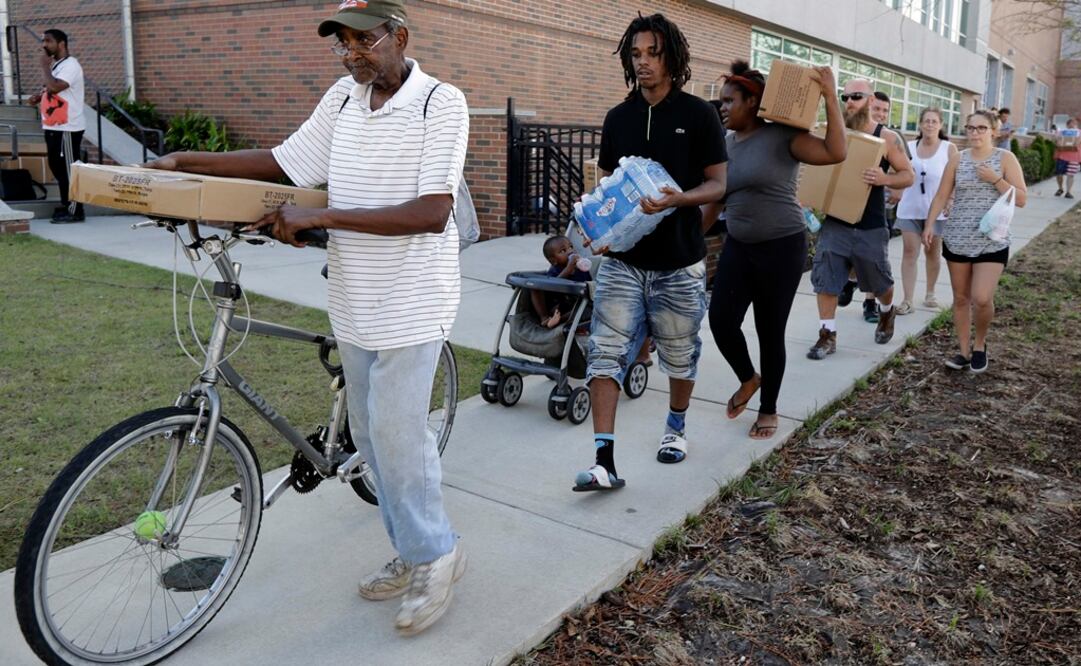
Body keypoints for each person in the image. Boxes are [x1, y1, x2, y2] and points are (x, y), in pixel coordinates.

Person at [146, 0, 467, 636]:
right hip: (353, 298)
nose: (351, 53)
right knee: (372, 441)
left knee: (400, 441)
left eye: (364, 40)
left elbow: (432, 211)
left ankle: (437, 555)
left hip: (413, 299)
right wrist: (188, 160)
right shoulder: (343, 101)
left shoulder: (440, 103)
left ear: (399, 35)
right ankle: (412, 548)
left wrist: (320, 218)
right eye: (341, 42)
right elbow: (285, 161)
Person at [573, 12, 727, 491]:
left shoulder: (699, 114)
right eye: (636, 54)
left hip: (679, 265)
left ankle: (676, 427)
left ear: (673, 58)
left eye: (652, 54)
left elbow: (718, 184)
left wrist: (679, 200)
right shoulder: (617, 118)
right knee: (605, 355)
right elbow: (603, 186)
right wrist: (596, 228)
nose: (643, 63)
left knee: (681, 356)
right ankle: (604, 461)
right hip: (622, 264)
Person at [703, 60, 845, 440]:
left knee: (769, 330)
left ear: (752, 102)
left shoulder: (783, 136)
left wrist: (831, 95)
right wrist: (686, 244)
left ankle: (768, 409)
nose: (723, 108)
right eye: (721, 102)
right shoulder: (725, 146)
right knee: (720, 320)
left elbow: (836, 151)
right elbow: (714, 201)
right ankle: (749, 379)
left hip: (782, 248)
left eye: (730, 101)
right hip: (739, 246)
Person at [806, 78, 915, 360]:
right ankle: (827, 335)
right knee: (825, 280)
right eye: (845, 98)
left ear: (869, 100)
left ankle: (886, 311)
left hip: (870, 224)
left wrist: (885, 178)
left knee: (881, 285)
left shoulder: (886, 137)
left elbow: (908, 175)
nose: (849, 102)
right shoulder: (835, 132)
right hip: (835, 222)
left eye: (856, 96)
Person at [922, 110, 1027, 373]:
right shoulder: (958, 159)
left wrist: (996, 180)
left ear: (993, 131)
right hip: (957, 238)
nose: (975, 133)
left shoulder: (1006, 158)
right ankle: (964, 351)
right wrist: (929, 225)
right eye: (970, 128)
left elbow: (1022, 199)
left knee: (981, 298)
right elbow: (940, 196)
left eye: (981, 128)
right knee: (960, 298)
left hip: (992, 240)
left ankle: (980, 344)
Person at [895, 107, 957, 314]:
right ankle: (908, 300)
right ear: (920, 125)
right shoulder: (908, 147)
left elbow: (957, 177)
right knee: (910, 252)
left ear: (940, 125)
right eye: (926, 121)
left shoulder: (949, 149)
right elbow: (897, 171)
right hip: (910, 209)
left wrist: (950, 199)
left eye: (934, 121)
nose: (930, 124)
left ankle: (930, 293)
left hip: (936, 212)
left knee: (933, 252)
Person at [26, 29, 85, 223]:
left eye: (48, 41)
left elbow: (56, 86)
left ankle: (76, 211)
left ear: (61, 44)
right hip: (53, 127)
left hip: (68, 128)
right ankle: (66, 203)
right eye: (43, 41)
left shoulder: (71, 65)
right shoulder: (58, 65)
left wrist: (44, 67)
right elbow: (52, 90)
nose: (44, 45)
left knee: (69, 170)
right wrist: (40, 96)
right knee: (57, 167)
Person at [532, 234, 592, 328]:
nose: (570, 251)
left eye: (571, 247)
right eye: (563, 251)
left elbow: (589, 285)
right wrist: (569, 268)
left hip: (573, 304)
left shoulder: (580, 269)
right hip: (556, 303)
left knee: (584, 310)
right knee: (534, 286)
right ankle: (545, 318)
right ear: (554, 261)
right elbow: (554, 285)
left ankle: (558, 321)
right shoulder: (554, 270)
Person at [1053, 118, 1080, 198]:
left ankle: (1068, 192)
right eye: (1071, 123)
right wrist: (1059, 140)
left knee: (1071, 175)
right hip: (1062, 156)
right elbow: (1056, 140)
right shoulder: (1061, 132)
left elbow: (1078, 141)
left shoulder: (1079, 132)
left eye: (1074, 123)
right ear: (1067, 125)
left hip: (1074, 157)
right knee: (1059, 174)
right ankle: (1060, 188)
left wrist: (1076, 141)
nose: (1073, 125)